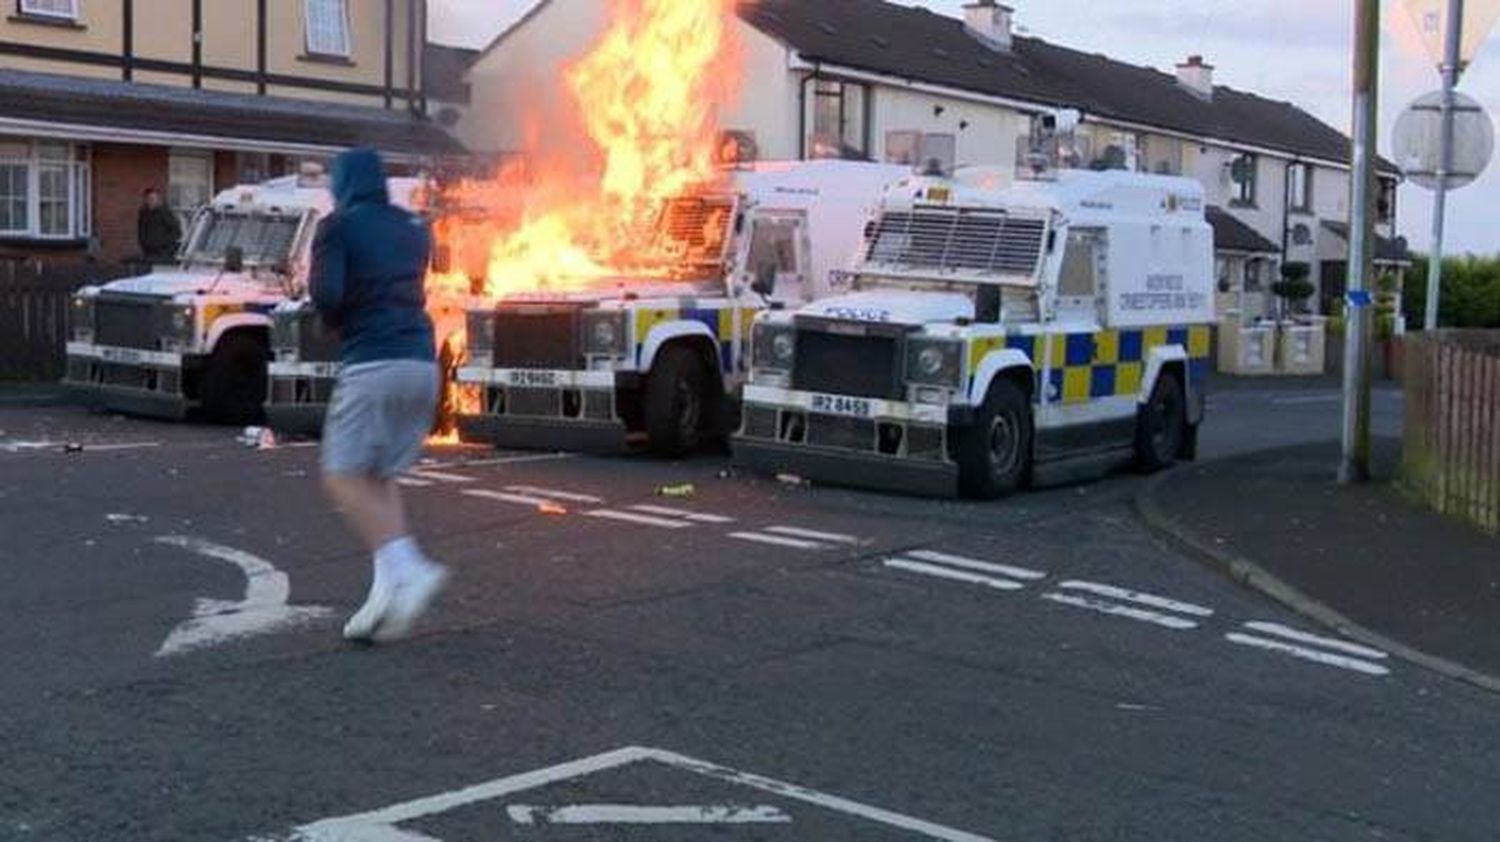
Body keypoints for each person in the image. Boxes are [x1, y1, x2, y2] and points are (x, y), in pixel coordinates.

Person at [310, 148, 449, 644]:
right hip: (421, 362)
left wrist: (334, 320)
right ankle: (384, 593)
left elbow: (326, 294)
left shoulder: (337, 227)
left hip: (373, 362)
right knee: (379, 476)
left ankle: (410, 568)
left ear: (343, 184)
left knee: (343, 475)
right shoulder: (413, 227)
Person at [137, 188, 182, 263]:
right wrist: (142, 242)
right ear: (145, 199)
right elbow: (141, 230)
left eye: (153, 199)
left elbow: (176, 231)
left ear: (157, 199)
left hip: (162, 251)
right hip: (148, 250)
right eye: (149, 199)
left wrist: (163, 243)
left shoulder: (164, 213)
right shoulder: (143, 214)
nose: (151, 201)